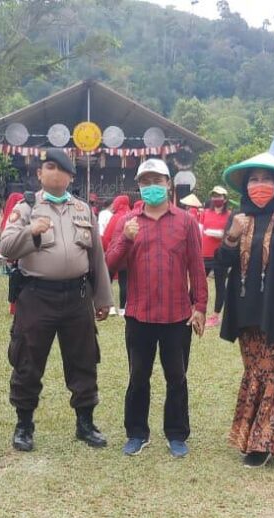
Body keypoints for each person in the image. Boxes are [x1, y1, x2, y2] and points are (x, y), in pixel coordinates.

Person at [0, 148, 113, 453]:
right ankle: (24, 425)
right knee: (27, 360)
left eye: (62, 169)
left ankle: (85, 423)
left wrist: (102, 298)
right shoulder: (26, 207)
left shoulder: (83, 210)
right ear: (39, 174)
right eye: (49, 167)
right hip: (37, 296)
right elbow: (6, 247)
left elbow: (97, 257)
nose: (55, 173)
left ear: (70, 177)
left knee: (83, 360)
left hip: (77, 296)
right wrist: (30, 231)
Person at [213, 153, 274, 468]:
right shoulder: (238, 218)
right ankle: (253, 436)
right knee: (254, 371)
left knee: (272, 371)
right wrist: (232, 236)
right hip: (245, 310)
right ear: (245, 186)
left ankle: (264, 443)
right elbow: (222, 263)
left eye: (266, 179)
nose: (260, 185)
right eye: (254, 179)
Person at [106, 159, 208, 458]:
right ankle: (137, 433)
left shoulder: (185, 222)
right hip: (139, 315)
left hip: (178, 315)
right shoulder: (128, 222)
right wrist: (126, 239)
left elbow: (196, 267)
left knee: (177, 377)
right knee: (138, 377)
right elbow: (109, 263)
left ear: (168, 184)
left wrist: (200, 306)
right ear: (139, 186)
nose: (151, 186)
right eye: (145, 182)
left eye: (157, 181)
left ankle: (176, 434)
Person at [201, 186, 231, 328]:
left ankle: (215, 316)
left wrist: (222, 235)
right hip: (204, 253)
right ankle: (194, 309)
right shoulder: (205, 213)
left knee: (220, 285)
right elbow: (200, 230)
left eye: (219, 196)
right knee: (199, 283)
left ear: (225, 199)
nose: (216, 198)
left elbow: (231, 234)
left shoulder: (229, 215)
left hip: (220, 254)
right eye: (214, 196)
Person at [100, 194, 132, 314]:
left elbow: (107, 236)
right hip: (128, 255)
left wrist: (106, 249)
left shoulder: (116, 217)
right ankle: (123, 308)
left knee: (108, 280)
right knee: (124, 282)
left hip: (114, 253)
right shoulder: (132, 215)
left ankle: (111, 307)